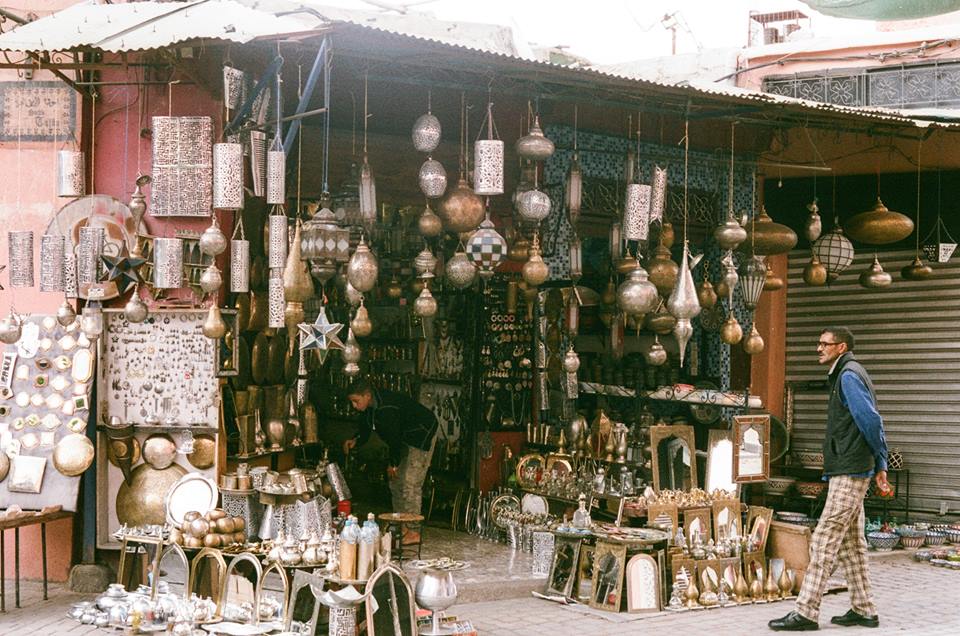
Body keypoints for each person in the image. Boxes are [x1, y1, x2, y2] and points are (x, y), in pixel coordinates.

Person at [770, 327, 889, 632]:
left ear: (841, 347)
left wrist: (881, 461)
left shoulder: (848, 376)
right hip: (849, 467)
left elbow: (871, 420)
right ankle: (864, 610)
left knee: (823, 539)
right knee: (851, 545)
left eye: (825, 344)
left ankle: (806, 612)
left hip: (850, 470)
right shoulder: (845, 373)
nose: (818, 348)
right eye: (818, 343)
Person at [343, 378, 438, 545]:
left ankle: (414, 531)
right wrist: (355, 439)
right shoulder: (371, 406)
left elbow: (395, 439)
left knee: (410, 483)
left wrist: (393, 464)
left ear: (367, 396)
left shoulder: (387, 408)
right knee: (395, 482)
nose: (354, 406)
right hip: (404, 436)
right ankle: (403, 525)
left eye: (356, 401)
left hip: (421, 432)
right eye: (352, 402)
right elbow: (366, 427)